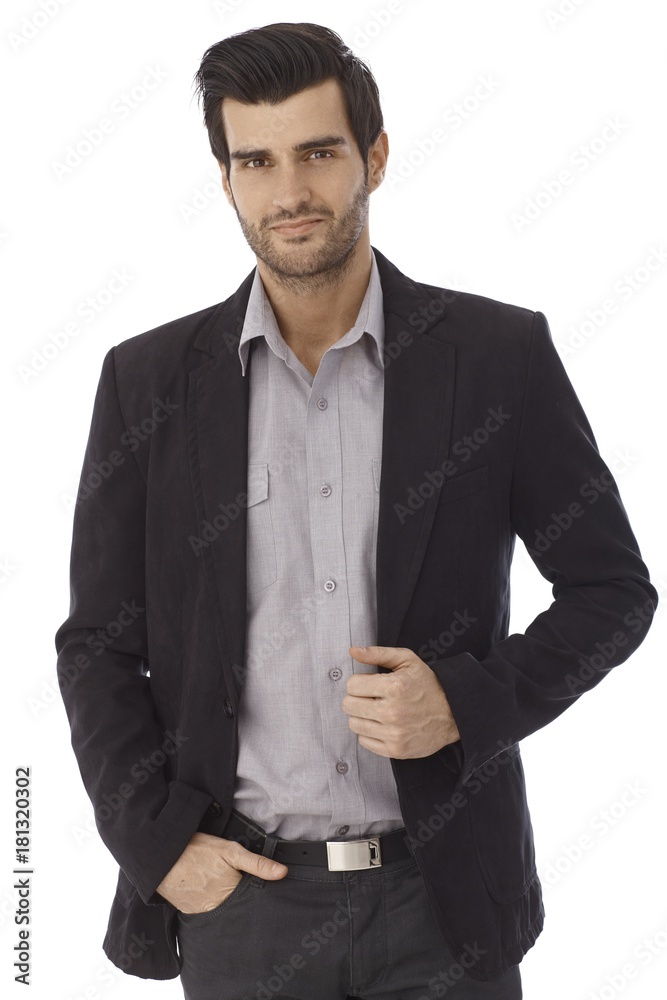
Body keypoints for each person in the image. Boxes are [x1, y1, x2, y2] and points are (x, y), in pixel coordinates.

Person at [54, 21, 657, 1000]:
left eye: (318, 152)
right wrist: (155, 842)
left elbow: (611, 592)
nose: (288, 190)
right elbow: (97, 647)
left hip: (444, 903)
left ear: (372, 157)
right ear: (226, 180)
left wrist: (465, 701)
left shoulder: (496, 358)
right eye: (255, 161)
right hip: (241, 907)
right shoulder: (148, 383)